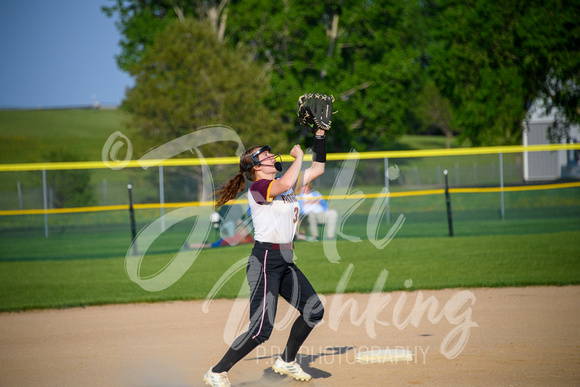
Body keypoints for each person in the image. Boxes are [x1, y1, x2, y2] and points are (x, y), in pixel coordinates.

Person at [203, 130, 328, 387]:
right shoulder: (259, 187)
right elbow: (283, 185)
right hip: (266, 260)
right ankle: (216, 371)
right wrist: (299, 156)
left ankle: (286, 361)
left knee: (313, 310)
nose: (272, 155)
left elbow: (319, 169)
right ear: (256, 166)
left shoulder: (284, 182)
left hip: (284, 259)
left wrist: (319, 135)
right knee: (261, 330)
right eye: (266, 154)